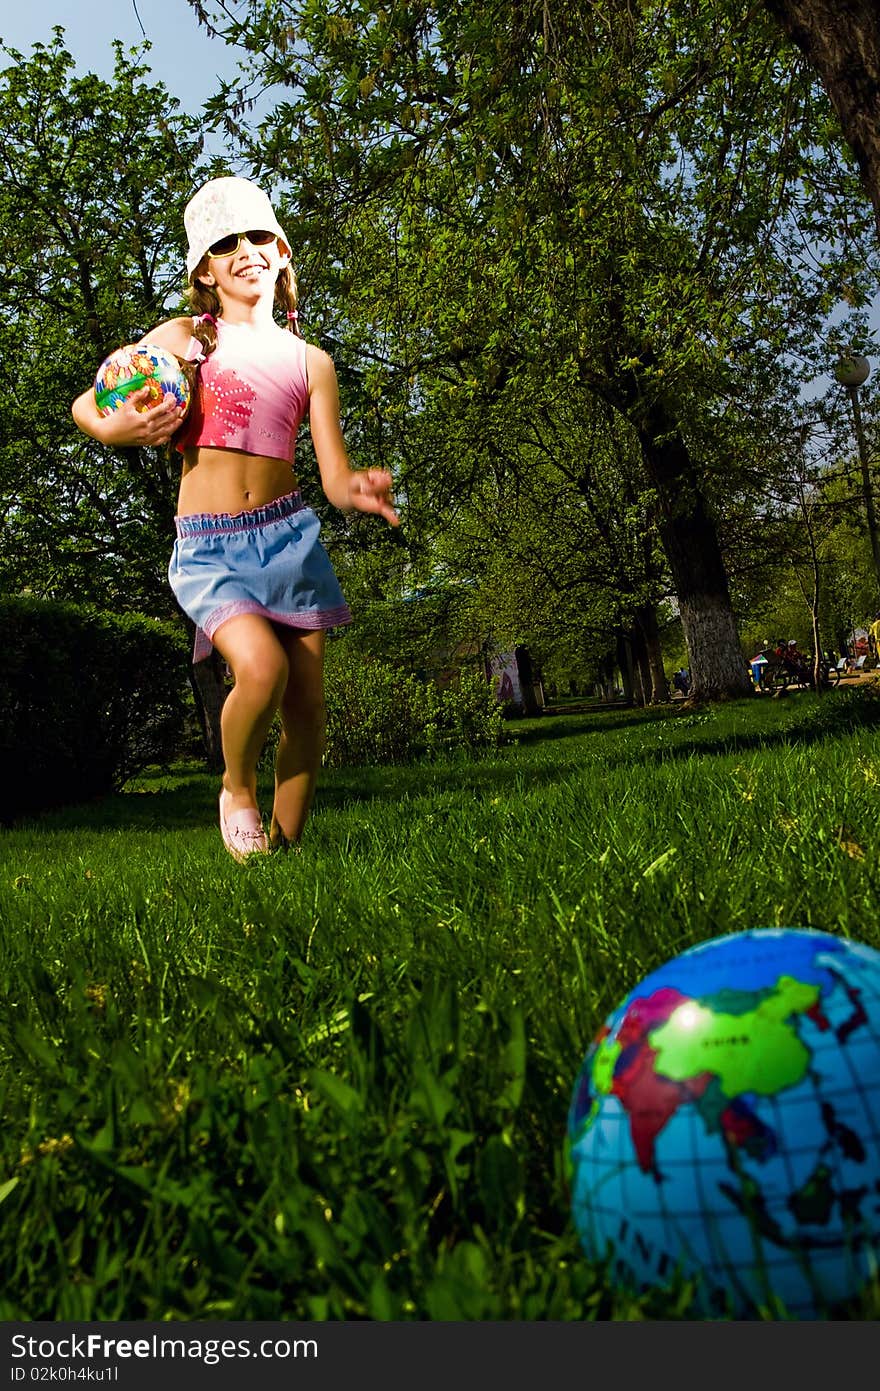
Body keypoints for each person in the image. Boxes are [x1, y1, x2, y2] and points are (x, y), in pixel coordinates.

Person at [72, 176, 398, 862]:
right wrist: (118, 428)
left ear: (281, 252)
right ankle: (236, 784)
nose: (246, 251)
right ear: (205, 271)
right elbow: (90, 403)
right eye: (226, 245)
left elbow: (332, 475)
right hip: (211, 547)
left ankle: (282, 854)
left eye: (257, 237)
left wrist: (354, 489)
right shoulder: (189, 339)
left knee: (307, 711)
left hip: (290, 541)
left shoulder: (313, 363)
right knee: (260, 668)